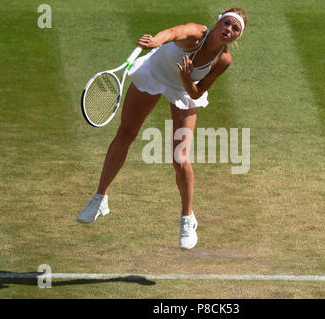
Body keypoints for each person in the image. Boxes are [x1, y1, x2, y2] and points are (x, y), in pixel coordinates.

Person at [77, 8, 248, 250]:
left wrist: (188, 79)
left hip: (184, 90)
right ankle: (99, 199)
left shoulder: (223, 60)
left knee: (180, 157)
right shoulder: (196, 34)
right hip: (154, 73)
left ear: (237, 36)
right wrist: (156, 40)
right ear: (218, 22)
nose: (228, 30)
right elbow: (174, 32)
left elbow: (198, 92)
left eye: (235, 29)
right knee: (126, 134)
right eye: (227, 23)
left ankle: (187, 219)